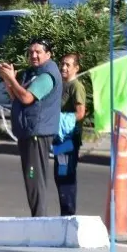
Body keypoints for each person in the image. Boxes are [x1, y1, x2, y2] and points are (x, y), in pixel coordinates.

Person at [0, 37, 63, 218]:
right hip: (28, 131)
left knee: (34, 179)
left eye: (38, 52)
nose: (34, 55)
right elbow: (15, 97)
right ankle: (38, 219)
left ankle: (39, 220)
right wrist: (8, 80)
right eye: (31, 52)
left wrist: (12, 80)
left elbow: (26, 98)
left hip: (37, 133)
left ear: (48, 54)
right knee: (30, 178)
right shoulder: (32, 72)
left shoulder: (47, 76)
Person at [53, 53, 86, 216]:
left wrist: (61, 120)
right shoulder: (61, 84)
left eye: (68, 65)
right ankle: (64, 212)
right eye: (62, 64)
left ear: (76, 68)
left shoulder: (76, 86)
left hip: (69, 139)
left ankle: (68, 213)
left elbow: (80, 113)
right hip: (60, 139)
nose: (64, 67)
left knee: (65, 174)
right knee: (60, 173)